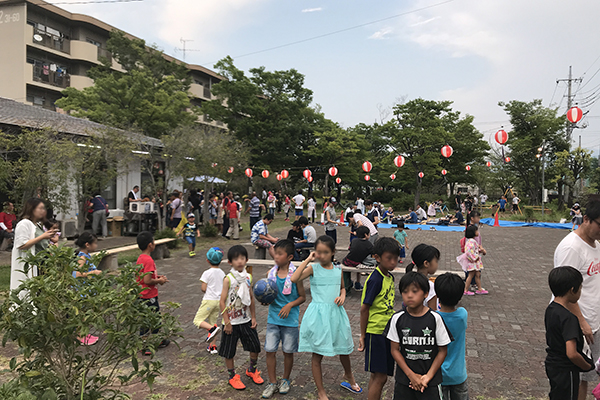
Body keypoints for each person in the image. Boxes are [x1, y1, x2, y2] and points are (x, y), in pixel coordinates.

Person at [291, 236, 362, 398]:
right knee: (317, 354)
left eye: (326, 252)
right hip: (319, 317)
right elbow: (294, 278)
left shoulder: (338, 270)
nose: (322, 255)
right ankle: (320, 391)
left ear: (333, 253)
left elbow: (342, 288)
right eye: (319, 252)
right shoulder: (313, 269)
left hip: (336, 314)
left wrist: (342, 296)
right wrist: (308, 259)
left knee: (344, 348)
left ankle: (348, 374)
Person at [553, 200, 600, 400]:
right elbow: (563, 293)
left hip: (594, 320)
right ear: (586, 219)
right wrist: (581, 322)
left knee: (585, 376)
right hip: (578, 324)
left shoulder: (596, 244)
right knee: (574, 377)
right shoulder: (571, 248)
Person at [387, 272, 452, 400]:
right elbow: (394, 350)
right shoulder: (397, 318)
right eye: (405, 292)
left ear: (426, 294)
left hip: (430, 382)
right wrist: (411, 375)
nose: (409, 295)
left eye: (415, 291)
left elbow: (442, 351)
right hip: (405, 381)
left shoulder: (435, 318)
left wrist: (427, 376)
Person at [262, 240, 307, 398]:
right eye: (275, 253)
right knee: (270, 351)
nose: (276, 257)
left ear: (289, 257)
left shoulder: (296, 275)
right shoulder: (270, 274)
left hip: (290, 321)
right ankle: (272, 382)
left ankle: (285, 380)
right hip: (273, 319)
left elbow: (302, 297)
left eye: (280, 254)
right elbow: (267, 294)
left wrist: (290, 305)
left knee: (288, 352)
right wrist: (264, 300)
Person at [358, 237, 400, 400]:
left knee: (378, 376)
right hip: (375, 333)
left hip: (387, 332)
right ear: (377, 257)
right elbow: (364, 309)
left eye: (395, 258)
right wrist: (363, 335)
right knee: (380, 376)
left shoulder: (389, 277)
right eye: (389, 258)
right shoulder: (375, 279)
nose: (393, 262)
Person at [545, 266, 595, 400]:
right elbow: (572, 353)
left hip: (552, 364)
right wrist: (586, 366)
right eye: (580, 288)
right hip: (566, 369)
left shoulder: (551, 309)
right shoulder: (570, 318)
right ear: (572, 290)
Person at [218, 245, 263, 390]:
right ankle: (232, 376)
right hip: (231, 321)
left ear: (246, 260)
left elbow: (250, 297)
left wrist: (254, 317)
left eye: (242, 258)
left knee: (255, 345)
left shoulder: (248, 276)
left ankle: (252, 369)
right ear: (230, 262)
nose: (240, 261)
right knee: (229, 350)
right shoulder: (228, 279)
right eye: (236, 259)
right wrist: (227, 322)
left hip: (246, 319)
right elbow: (222, 301)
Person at [10, 198, 58, 294]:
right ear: (32, 209)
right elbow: (21, 244)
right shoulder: (24, 223)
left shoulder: (37, 224)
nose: (43, 211)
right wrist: (43, 236)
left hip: (42, 263)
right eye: (40, 208)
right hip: (33, 263)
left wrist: (49, 237)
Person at [435, 273, 469, 400]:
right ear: (460, 296)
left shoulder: (434, 318)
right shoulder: (462, 315)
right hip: (458, 374)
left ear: (437, 295)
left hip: (438, 374)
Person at [136, 231, 170, 356]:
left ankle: (155, 340)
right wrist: (159, 281)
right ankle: (146, 344)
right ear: (150, 245)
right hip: (148, 295)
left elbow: (143, 276)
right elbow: (147, 280)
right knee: (152, 319)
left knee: (149, 318)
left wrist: (157, 276)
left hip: (141, 294)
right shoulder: (149, 260)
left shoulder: (141, 258)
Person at [193, 247, 226, 355]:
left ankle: (211, 329)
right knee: (213, 321)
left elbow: (203, 288)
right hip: (219, 301)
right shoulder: (222, 273)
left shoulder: (207, 273)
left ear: (207, 260)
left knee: (198, 320)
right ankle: (213, 347)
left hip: (209, 300)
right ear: (221, 261)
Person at [73, 232, 103, 345]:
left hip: (86, 289)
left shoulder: (86, 256)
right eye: (94, 243)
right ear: (87, 244)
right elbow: (76, 273)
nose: (96, 246)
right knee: (82, 314)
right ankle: (80, 336)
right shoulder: (82, 257)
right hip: (81, 290)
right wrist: (92, 273)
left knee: (86, 313)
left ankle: (84, 333)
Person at [406, 244, 440, 310]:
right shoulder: (430, 286)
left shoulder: (408, 281)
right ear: (426, 263)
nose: (437, 264)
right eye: (436, 261)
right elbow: (432, 312)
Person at [457, 225, 488, 296]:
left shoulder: (471, 241)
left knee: (477, 274)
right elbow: (468, 252)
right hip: (473, 262)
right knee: (471, 275)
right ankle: (466, 290)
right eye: (476, 231)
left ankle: (479, 289)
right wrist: (475, 257)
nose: (478, 232)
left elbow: (474, 250)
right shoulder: (471, 242)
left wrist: (480, 251)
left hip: (474, 262)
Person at [342, 226, 375, 291]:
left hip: (346, 261)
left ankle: (349, 282)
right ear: (366, 235)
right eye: (369, 234)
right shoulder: (369, 244)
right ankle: (357, 283)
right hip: (357, 263)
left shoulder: (354, 240)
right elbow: (374, 254)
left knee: (358, 260)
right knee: (365, 262)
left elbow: (350, 249)